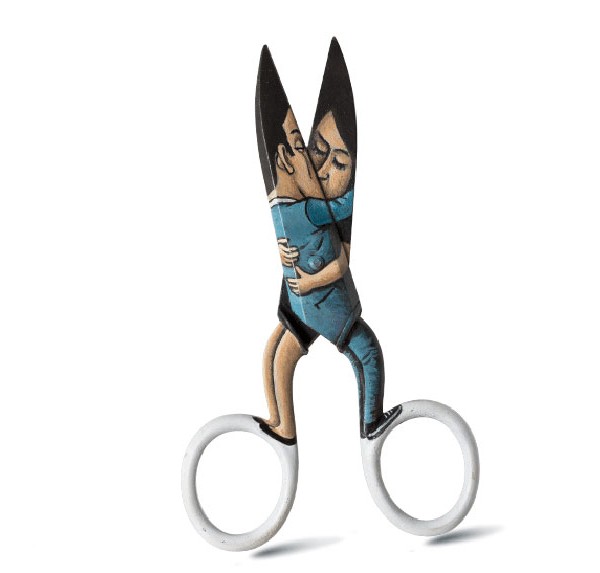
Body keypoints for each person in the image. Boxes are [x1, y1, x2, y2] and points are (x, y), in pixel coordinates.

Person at [255, 44, 401, 444]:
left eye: (338, 162)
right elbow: (339, 209)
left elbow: (339, 233)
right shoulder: (306, 208)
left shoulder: (301, 209)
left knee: (285, 353)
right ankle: (299, 427)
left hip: (317, 299)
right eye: (315, 152)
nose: (320, 167)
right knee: (353, 352)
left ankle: (292, 428)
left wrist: (305, 276)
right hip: (315, 302)